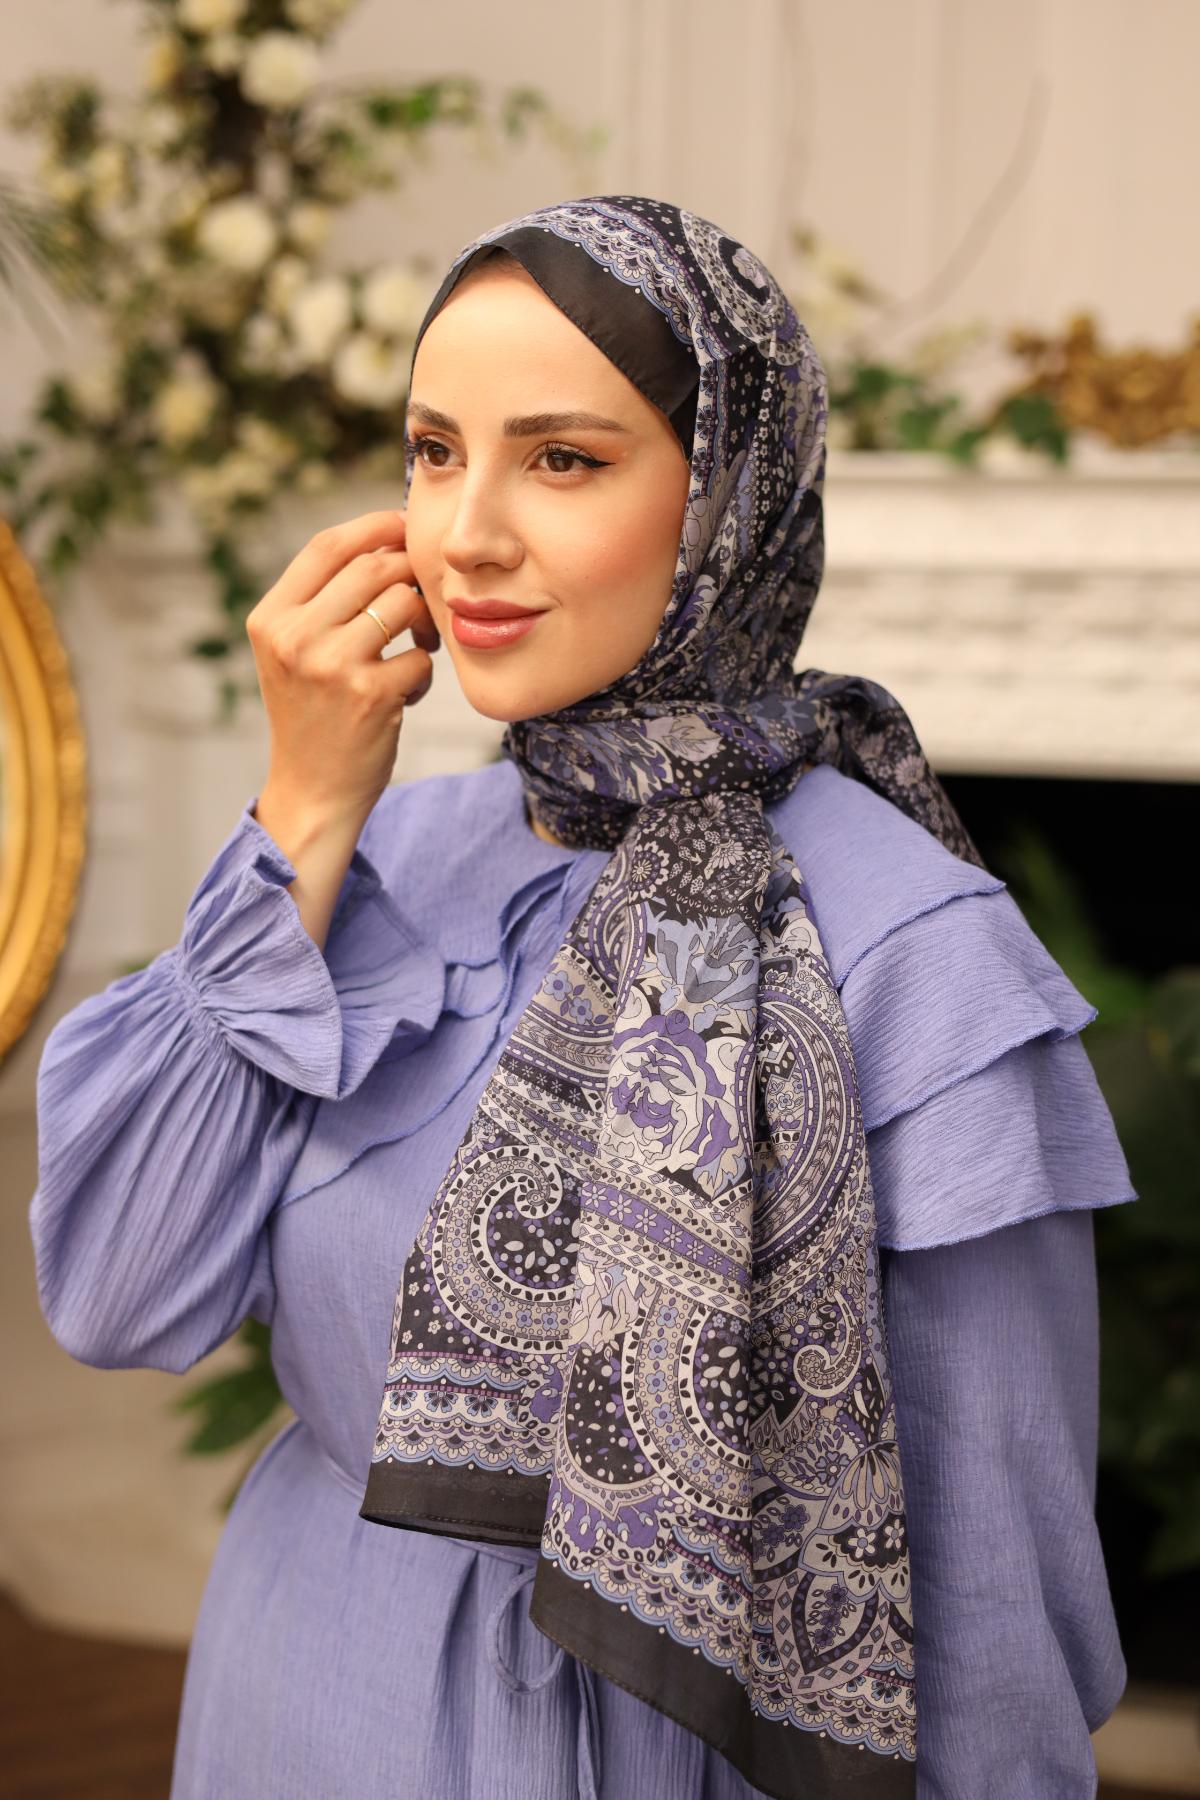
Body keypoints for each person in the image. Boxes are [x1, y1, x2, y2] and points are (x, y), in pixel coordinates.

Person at [30, 197, 1137, 1800]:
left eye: (561, 459)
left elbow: (991, 1614)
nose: (466, 533)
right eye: (431, 452)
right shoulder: (374, 856)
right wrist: (305, 806)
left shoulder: (912, 951)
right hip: (298, 1694)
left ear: (726, 501)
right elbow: (117, 1295)